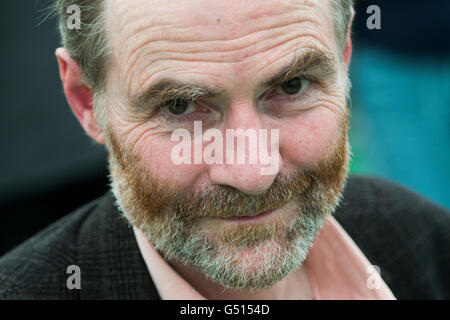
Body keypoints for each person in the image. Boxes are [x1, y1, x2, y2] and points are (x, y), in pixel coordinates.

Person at [0, 0, 448, 300]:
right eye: (179, 106)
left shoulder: (423, 240)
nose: (253, 172)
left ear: (344, 58)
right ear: (87, 101)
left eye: (291, 86)